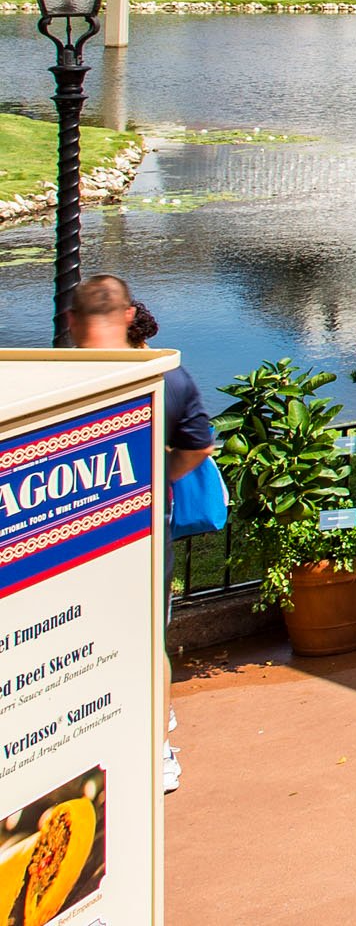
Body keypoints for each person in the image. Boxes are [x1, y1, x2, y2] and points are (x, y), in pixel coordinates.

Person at [72, 276, 216, 795]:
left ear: (70, 322)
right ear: (131, 315)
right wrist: (161, 476)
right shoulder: (171, 378)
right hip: (148, 523)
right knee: (150, 634)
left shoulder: (66, 374)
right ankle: (157, 748)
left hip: (77, 538)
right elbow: (198, 445)